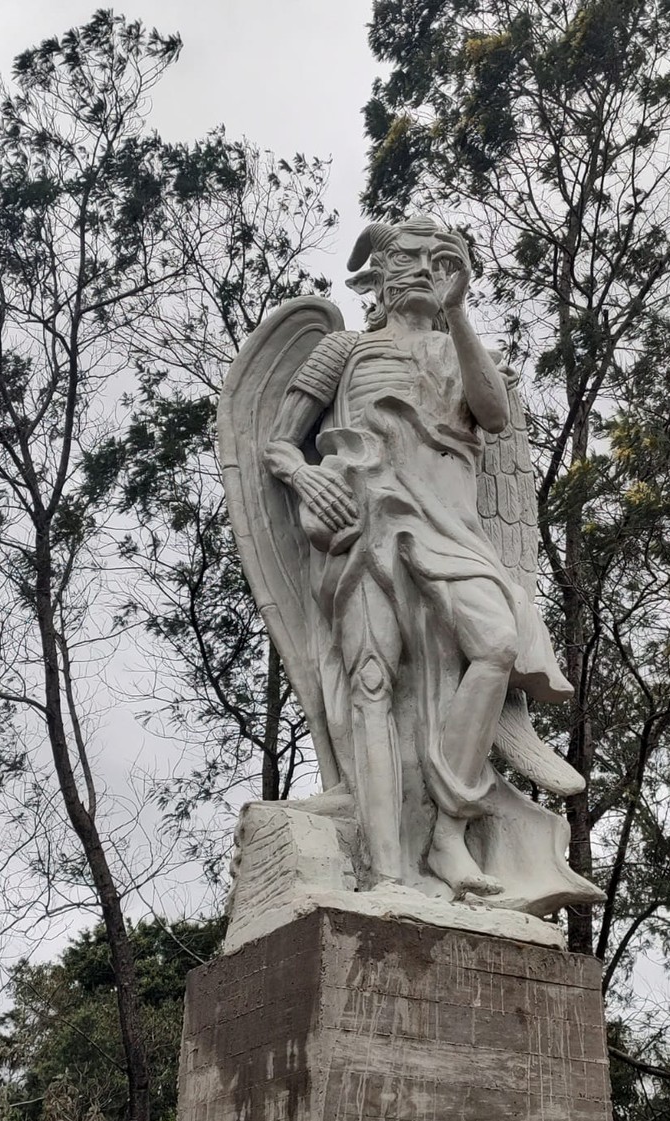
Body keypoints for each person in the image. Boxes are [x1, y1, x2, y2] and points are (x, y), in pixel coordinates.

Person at [263, 216, 571, 897]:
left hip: (453, 534)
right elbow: (278, 443)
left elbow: (493, 416)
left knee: (495, 644)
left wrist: (458, 313)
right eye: (410, 256)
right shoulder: (343, 350)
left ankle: (448, 831)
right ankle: (388, 875)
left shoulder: (461, 356)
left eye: (442, 259)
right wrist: (304, 475)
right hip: (364, 527)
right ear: (378, 271)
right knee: (374, 685)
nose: (425, 270)